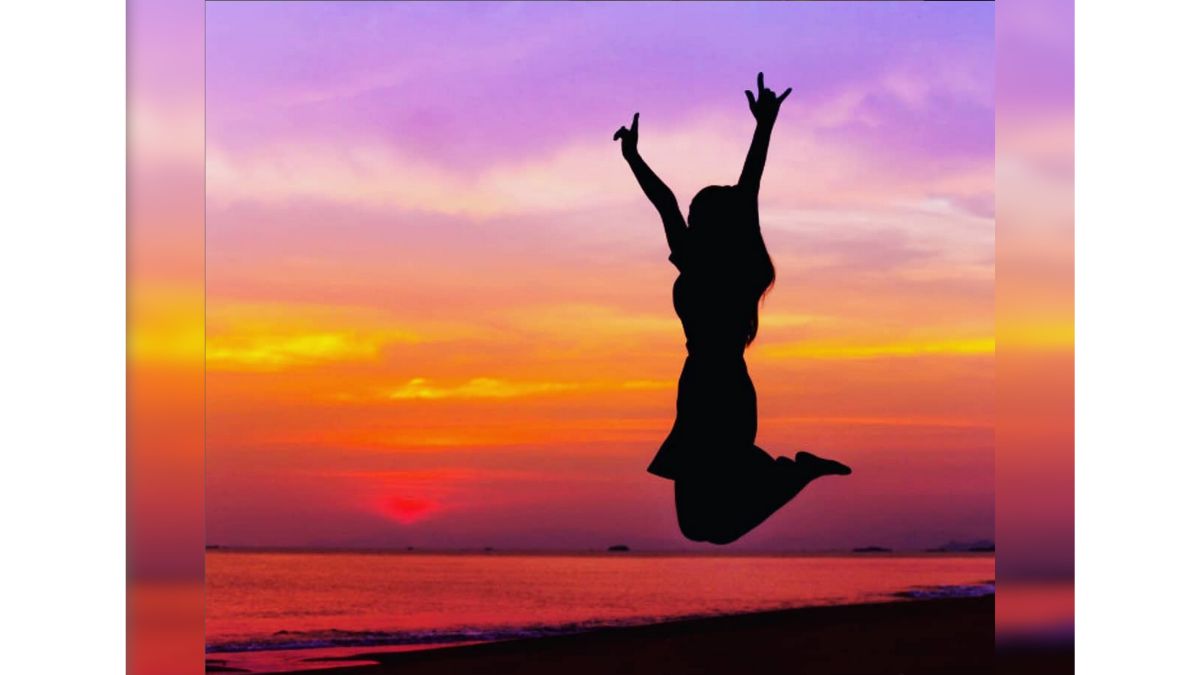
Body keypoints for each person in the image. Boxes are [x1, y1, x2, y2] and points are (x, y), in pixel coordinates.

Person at [613, 73, 851, 545]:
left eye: (698, 214)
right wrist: (634, 157)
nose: (689, 218)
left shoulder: (720, 269)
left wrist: (764, 128)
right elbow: (668, 202)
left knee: (706, 526)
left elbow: (741, 189)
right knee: (700, 525)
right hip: (709, 385)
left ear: (712, 226)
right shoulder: (716, 266)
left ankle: (795, 475)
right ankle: (794, 475)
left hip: (714, 386)